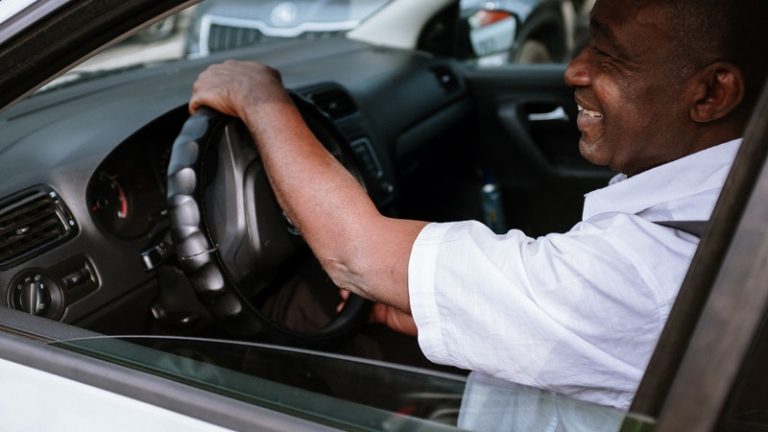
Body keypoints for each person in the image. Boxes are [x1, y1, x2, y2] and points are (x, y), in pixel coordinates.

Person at [189, 0, 768, 411]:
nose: (575, 69)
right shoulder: (720, 207)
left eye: (609, 55)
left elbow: (354, 255)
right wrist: (448, 312)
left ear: (712, 93)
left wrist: (258, 97)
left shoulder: (647, 269)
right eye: (587, 40)